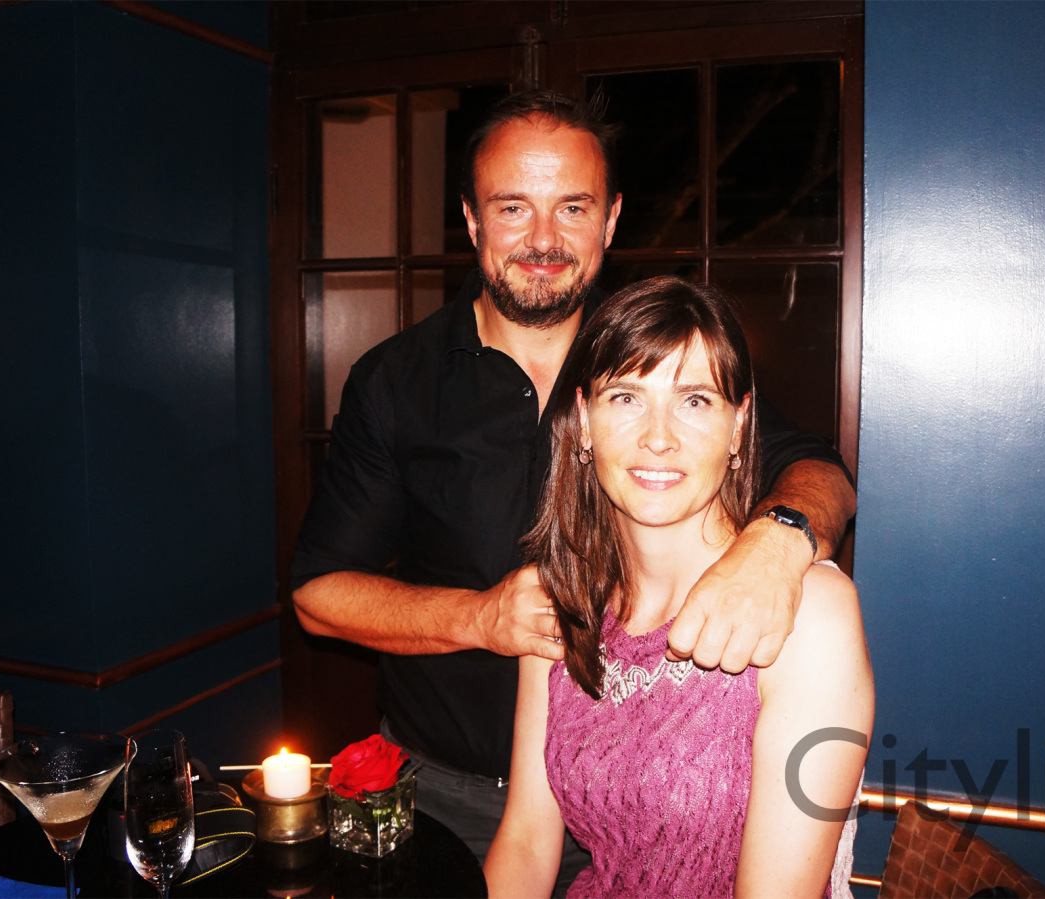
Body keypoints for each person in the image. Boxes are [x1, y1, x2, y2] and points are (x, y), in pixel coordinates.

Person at [290, 90, 857, 866]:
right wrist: (479, 618)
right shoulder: (395, 381)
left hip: (635, 802)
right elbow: (317, 594)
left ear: (611, 220)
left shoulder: (652, 363)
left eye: (574, 208)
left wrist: (779, 542)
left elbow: (819, 472)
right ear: (472, 220)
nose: (544, 239)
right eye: (513, 208)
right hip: (444, 793)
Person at [484, 276, 873, 898]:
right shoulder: (563, 603)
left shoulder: (808, 615)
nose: (659, 437)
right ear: (583, 420)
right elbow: (528, 842)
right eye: (626, 397)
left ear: (739, 425)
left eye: (694, 400)